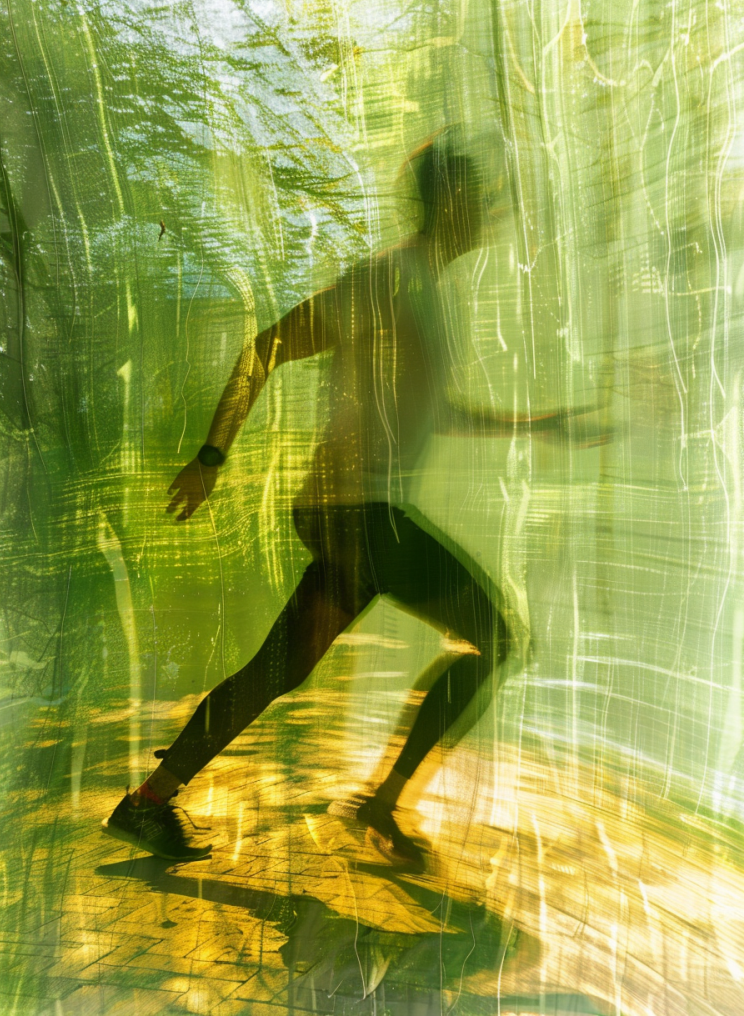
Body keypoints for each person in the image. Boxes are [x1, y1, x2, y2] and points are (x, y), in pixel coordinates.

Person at [103, 142, 554, 866]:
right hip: (357, 514)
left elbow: (432, 412)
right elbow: (265, 348)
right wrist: (211, 458)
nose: (490, 214)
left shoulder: (423, 292)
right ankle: (380, 803)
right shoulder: (388, 281)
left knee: (279, 670)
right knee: (496, 638)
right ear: (447, 205)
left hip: (358, 514)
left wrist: (534, 426)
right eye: (479, 198)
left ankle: (149, 801)